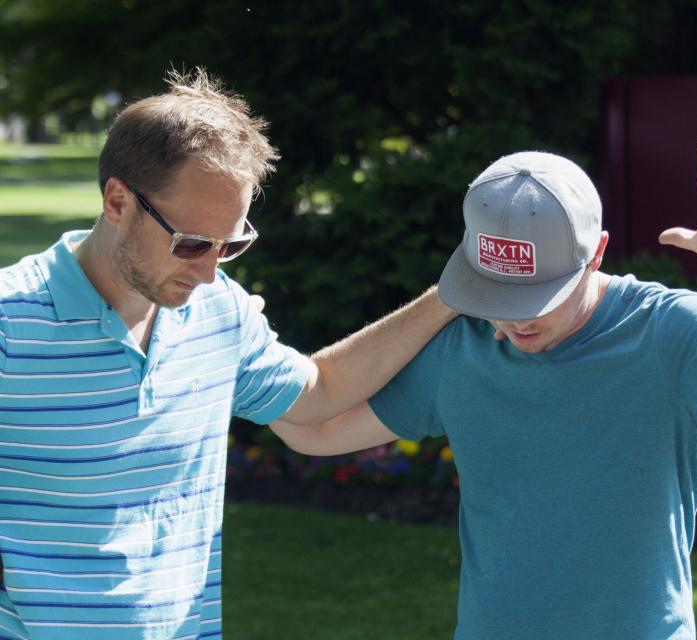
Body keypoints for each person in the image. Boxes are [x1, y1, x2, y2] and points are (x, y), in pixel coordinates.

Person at [271, 124, 697, 639]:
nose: (518, 319)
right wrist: (445, 301)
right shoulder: (459, 345)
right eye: (497, 294)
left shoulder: (669, 332)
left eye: (539, 296)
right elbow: (312, 427)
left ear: (597, 255)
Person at [0, 69, 455, 640]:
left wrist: (448, 299)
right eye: (191, 243)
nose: (210, 270)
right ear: (118, 201)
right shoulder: (10, 324)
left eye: (232, 244)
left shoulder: (219, 312)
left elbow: (318, 395)